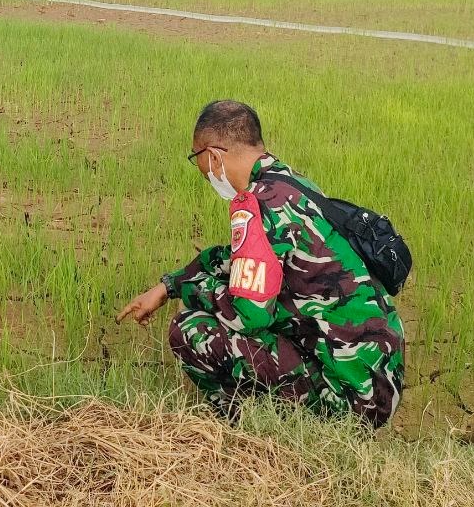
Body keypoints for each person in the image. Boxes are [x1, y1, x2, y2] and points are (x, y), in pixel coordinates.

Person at [117, 100, 405, 427]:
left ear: (213, 156)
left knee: (190, 328)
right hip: (381, 378)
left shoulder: (257, 205)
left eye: (195, 157)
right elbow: (233, 258)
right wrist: (168, 285)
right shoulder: (290, 184)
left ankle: (248, 427)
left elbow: (248, 317)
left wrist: (194, 290)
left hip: (350, 399)